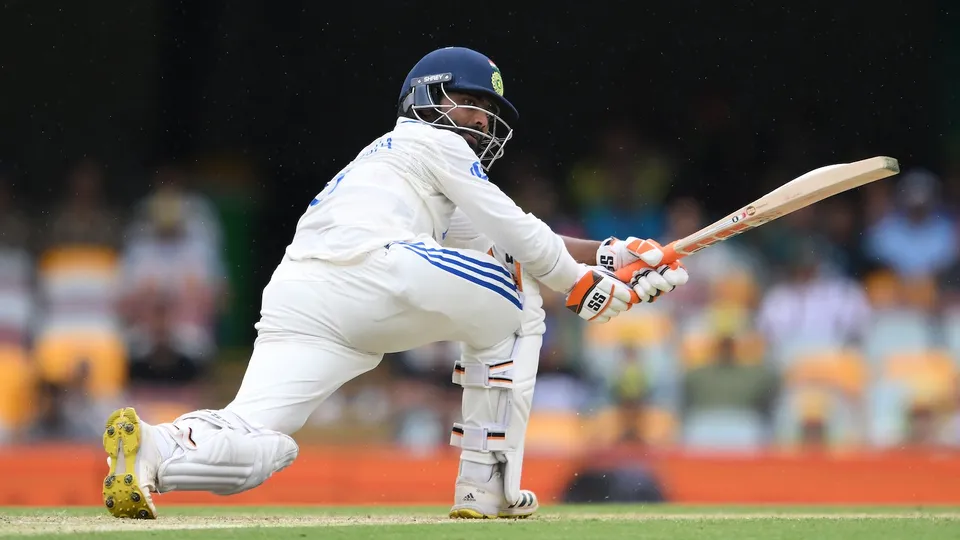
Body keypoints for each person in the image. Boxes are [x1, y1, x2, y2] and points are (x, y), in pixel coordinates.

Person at [99, 46, 689, 521]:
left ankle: (154, 449)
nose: (482, 121)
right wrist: (579, 284)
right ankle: (487, 488)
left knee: (260, 439)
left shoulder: (399, 168)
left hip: (302, 295)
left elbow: (503, 239)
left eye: (488, 114)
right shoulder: (428, 140)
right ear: (426, 98)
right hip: (373, 267)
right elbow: (518, 232)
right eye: (470, 103)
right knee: (523, 297)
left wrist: (613, 255)